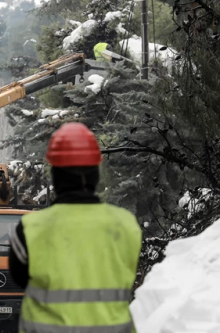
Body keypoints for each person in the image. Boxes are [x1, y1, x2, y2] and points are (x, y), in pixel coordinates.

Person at [9, 122, 142, 333]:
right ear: (95, 174)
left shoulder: (29, 229)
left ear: (55, 175)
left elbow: (20, 279)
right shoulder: (126, 226)